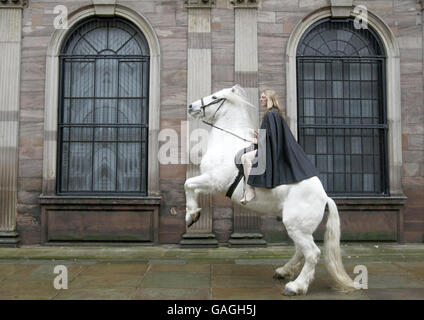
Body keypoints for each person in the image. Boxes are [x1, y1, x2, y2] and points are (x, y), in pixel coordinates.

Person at [239, 89, 319, 205]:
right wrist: (259, 135)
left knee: (245, 158)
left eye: (263, 97)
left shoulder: (269, 114)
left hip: (268, 152)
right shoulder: (276, 113)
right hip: (270, 149)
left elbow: (268, 139)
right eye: (261, 97)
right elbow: (271, 135)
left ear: (269, 99)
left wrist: (253, 140)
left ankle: (250, 189)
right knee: (245, 158)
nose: (260, 99)